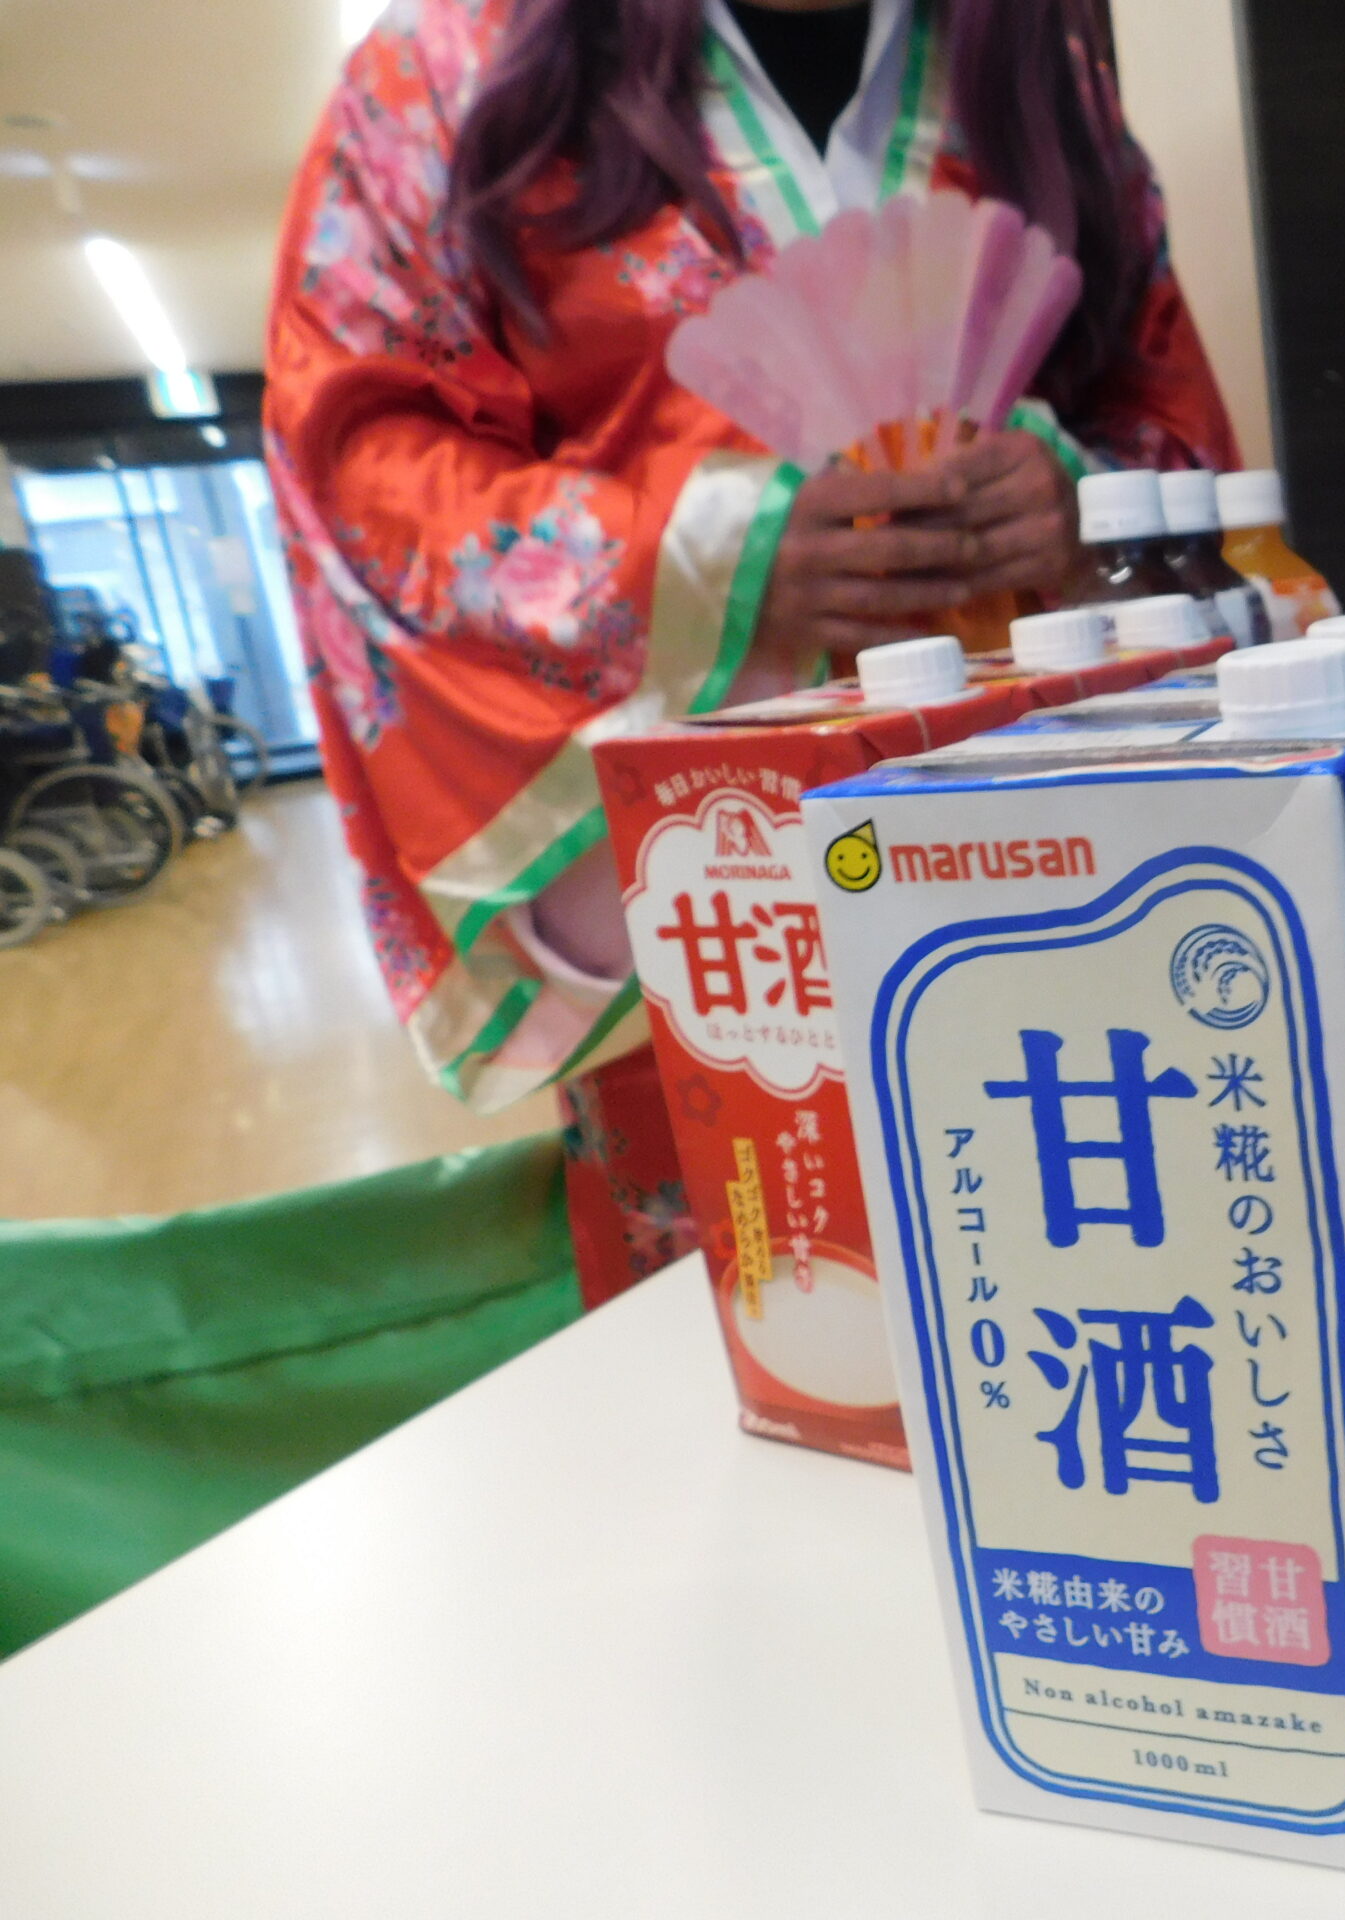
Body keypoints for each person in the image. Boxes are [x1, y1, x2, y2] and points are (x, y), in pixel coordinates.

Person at [266, 0, 1240, 1305]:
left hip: (1038, 833)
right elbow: (361, 460)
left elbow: (1167, 424)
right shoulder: (450, 73)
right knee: (760, 1293)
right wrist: (700, 556)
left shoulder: (1032, 63)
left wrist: (1077, 499)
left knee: (1091, 1258)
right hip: (706, 871)